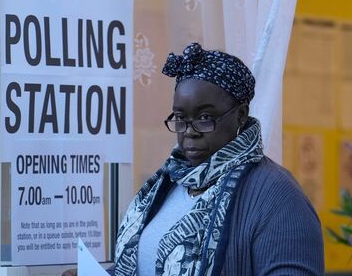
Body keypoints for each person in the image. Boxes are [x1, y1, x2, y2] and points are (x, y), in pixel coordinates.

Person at [66, 42, 324, 276]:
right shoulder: (170, 182)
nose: (189, 131)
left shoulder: (277, 197)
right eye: (180, 118)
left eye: (204, 117)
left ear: (241, 115)